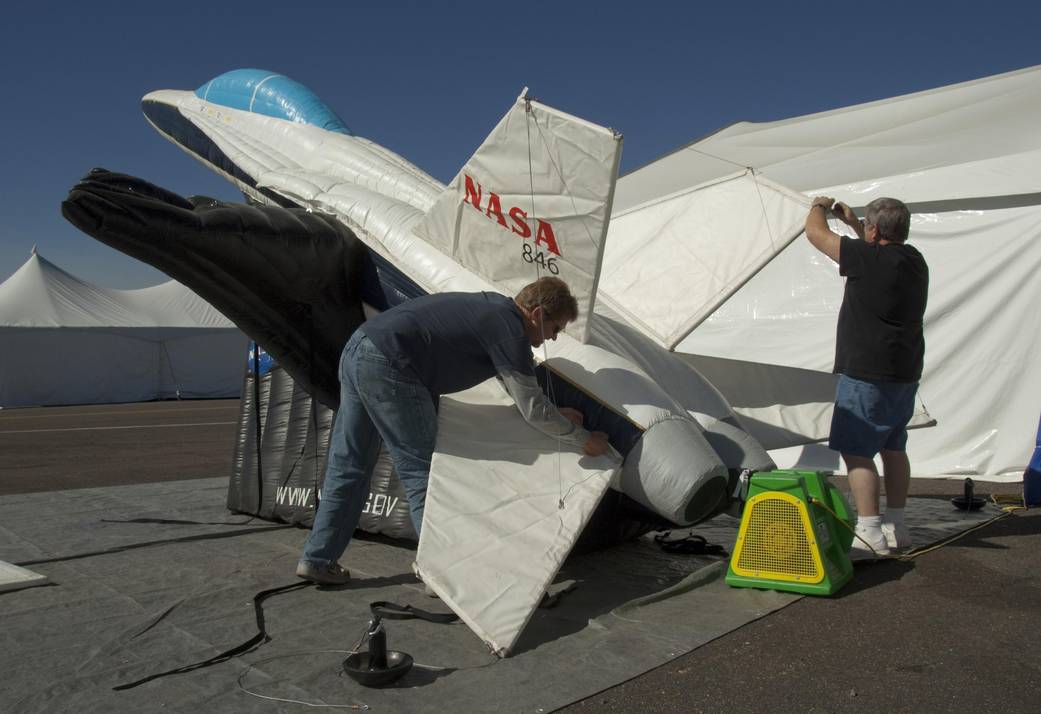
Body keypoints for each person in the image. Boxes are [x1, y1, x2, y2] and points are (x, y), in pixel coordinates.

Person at [296, 276, 612, 584]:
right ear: (538, 314)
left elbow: (524, 397)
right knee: (424, 474)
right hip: (394, 364)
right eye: (555, 328)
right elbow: (533, 410)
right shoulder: (510, 332)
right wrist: (585, 440)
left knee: (349, 464)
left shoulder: (492, 311)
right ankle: (444, 578)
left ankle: (316, 559)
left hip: (361, 348)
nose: (553, 338)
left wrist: (556, 413)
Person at [805, 196, 928, 557]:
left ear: (875, 231)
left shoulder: (868, 258)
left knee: (857, 452)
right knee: (893, 447)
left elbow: (815, 233)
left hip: (867, 372)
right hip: (904, 372)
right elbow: (875, 250)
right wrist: (856, 224)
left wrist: (819, 205)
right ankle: (897, 526)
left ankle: (869, 530)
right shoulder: (914, 260)